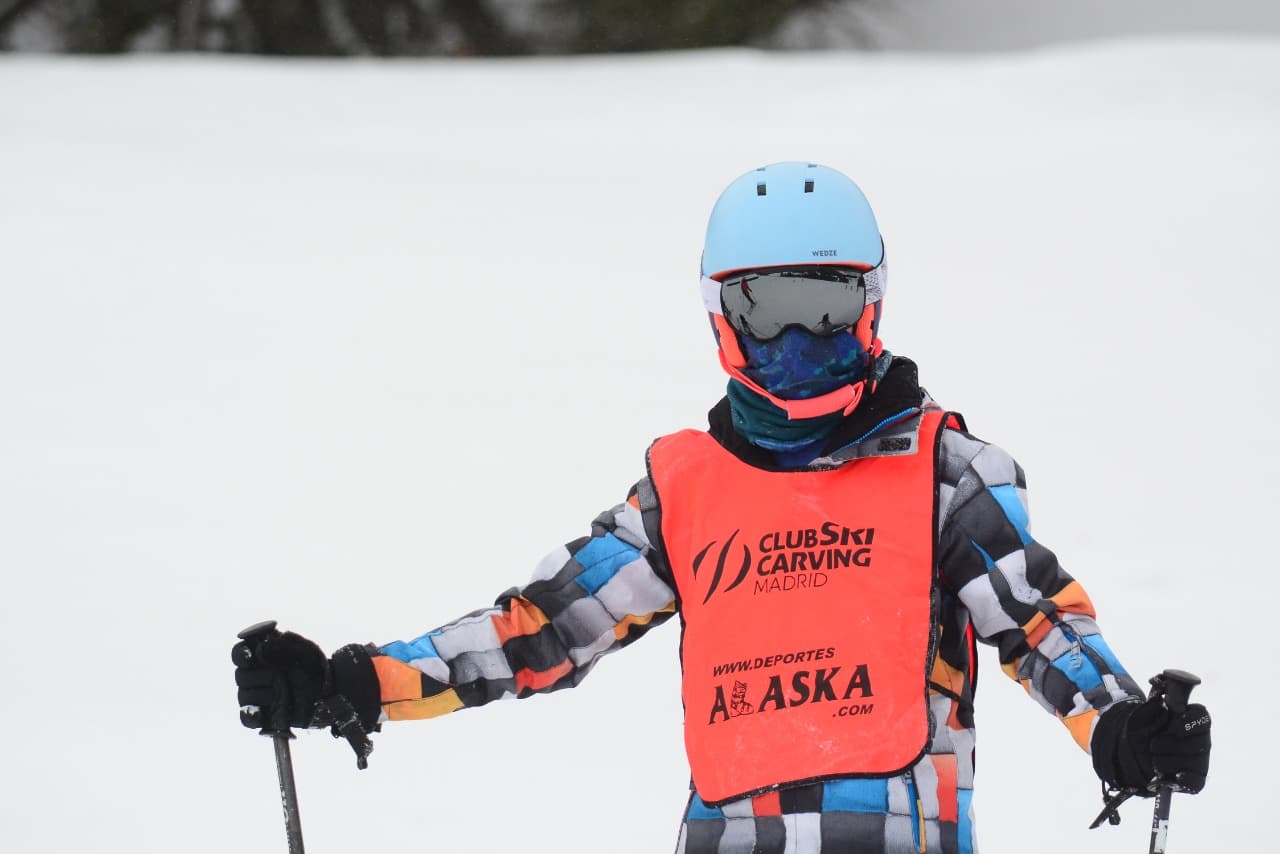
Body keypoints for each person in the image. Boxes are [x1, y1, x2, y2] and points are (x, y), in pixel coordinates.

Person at [233, 162, 1211, 853]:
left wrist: (1122, 725)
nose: (795, 344)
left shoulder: (942, 474)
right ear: (719, 316)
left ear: (868, 305)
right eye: (764, 311)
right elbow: (539, 630)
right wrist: (352, 682)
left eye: (820, 310)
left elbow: (1037, 622)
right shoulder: (684, 492)